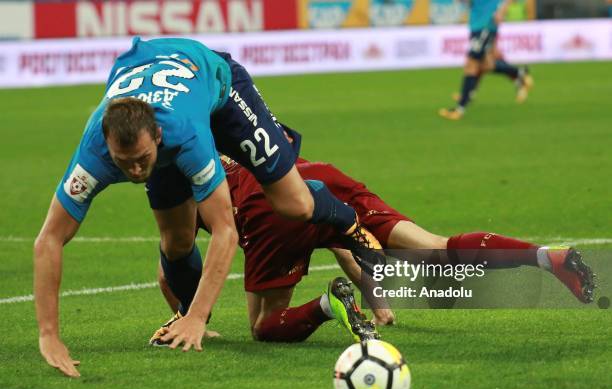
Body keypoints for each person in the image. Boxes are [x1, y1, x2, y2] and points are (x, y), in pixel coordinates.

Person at [33, 37, 381, 378]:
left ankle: (345, 218)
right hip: (161, 84)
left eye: (142, 160)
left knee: (295, 204)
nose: (137, 171)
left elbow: (224, 230)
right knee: (176, 242)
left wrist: (199, 316)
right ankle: (185, 314)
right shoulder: (93, 152)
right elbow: (49, 239)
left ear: (156, 136)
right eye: (125, 163)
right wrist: (49, 335)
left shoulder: (187, 136)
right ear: (107, 145)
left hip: (218, 85)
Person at [152, 149, 596, 346]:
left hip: (267, 206)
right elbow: (335, 236)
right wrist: (375, 291)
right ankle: (545, 256)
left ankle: (328, 306)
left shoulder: (180, 189)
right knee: (434, 246)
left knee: (264, 326)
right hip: (318, 176)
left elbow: (172, 260)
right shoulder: (237, 135)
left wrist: (187, 318)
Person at [440, 0, 534, 120]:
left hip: (486, 23)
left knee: (471, 64)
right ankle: (520, 73)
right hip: (477, 23)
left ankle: (459, 109)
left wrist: (501, 10)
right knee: (486, 65)